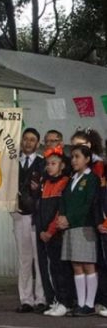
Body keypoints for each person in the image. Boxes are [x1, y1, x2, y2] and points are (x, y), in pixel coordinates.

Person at [57, 145, 100, 316]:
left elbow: (88, 204)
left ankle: (89, 304)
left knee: (88, 265)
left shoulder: (92, 179)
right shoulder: (71, 178)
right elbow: (64, 200)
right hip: (70, 227)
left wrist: (70, 218)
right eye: (72, 157)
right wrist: (61, 216)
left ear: (87, 159)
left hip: (84, 226)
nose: (73, 160)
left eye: (77, 156)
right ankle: (80, 303)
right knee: (76, 265)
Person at [34, 147, 74, 316]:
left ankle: (66, 302)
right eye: (48, 164)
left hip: (56, 234)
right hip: (44, 234)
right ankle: (57, 299)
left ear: (62, 166)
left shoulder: (65, 182)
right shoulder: (46, 184)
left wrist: (50, 231)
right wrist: (41, 231)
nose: (49, 167)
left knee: (61, 269)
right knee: (52, 269)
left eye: (54, 164)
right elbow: (40, 209)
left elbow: (60, 211)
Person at [13, 128, 46, 313]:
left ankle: (41, 298)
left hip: (37, 216)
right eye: (25, 139)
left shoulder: (43, 163)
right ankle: (26, 299)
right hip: (19, 215)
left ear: (37, 142)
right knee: (24, 259)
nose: (28, 143)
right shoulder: (12, 163)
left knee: (39, 259)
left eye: (32, 140)